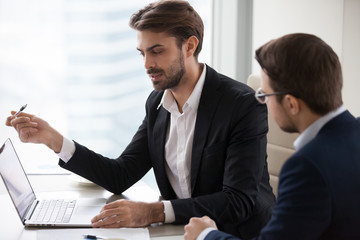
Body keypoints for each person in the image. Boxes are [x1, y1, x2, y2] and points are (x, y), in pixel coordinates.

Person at [5, 0, 275, 238]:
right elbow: (121, 174)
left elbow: (238, 201)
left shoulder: (241, 105)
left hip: (235, 234)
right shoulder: (157, 104)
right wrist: (52, 139)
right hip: (180, 231)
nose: (147, 64)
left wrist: (153, 212)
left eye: (157, 51)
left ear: (190, 46)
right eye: (142, 53)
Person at [183, 33, 360, 240]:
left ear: (292, 104)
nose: (263, 102)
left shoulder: (307, 167)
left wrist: (205, 235)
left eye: (265, 95)